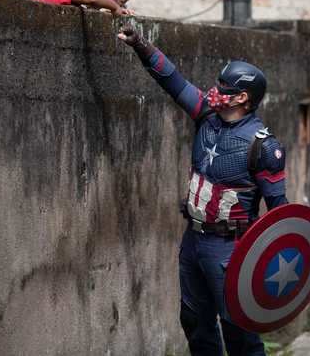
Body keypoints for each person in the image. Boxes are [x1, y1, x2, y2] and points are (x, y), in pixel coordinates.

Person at [117, 26, 288, 356]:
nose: (216, 90)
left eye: (225, 88)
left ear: (243, 98)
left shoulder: (263, 146)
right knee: (195, 324)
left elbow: (281, 214)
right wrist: (140, 44)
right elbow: (173, 80)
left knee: (240, 335)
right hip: (194, 241)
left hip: (232, 249)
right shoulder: (206, 115)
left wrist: (269, 268)